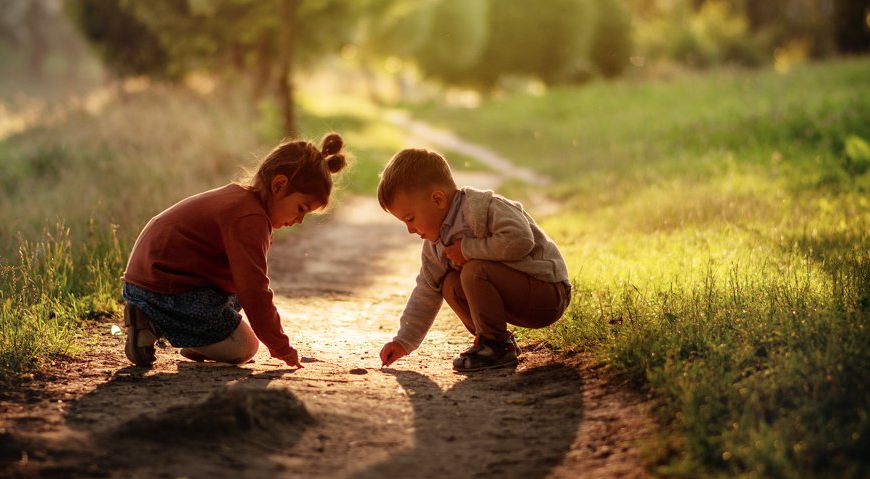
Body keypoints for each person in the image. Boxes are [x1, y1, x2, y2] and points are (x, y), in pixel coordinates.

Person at [120, 133, 348, 368]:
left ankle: (186, 333)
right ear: (279, 185)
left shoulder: (240, 200)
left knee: (234, 293)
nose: (299, 220)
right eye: (301, 208)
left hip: (146, 282)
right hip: (165, 289)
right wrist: (280, 346)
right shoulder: (250, 218)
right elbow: (255, 290)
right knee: (245, 346)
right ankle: (154, 322)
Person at [377, 148, 571, 372]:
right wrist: (404, 341)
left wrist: (468, 249)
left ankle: (495, 345)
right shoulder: (436, 244)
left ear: (437, 199)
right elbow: (426, 290)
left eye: (410, 219)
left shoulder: (484, 208)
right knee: (449, 283)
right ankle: (496, 341)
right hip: (515, 300)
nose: (410, 230)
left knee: (473, 270)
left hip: (547, 293)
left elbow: (520, 241)